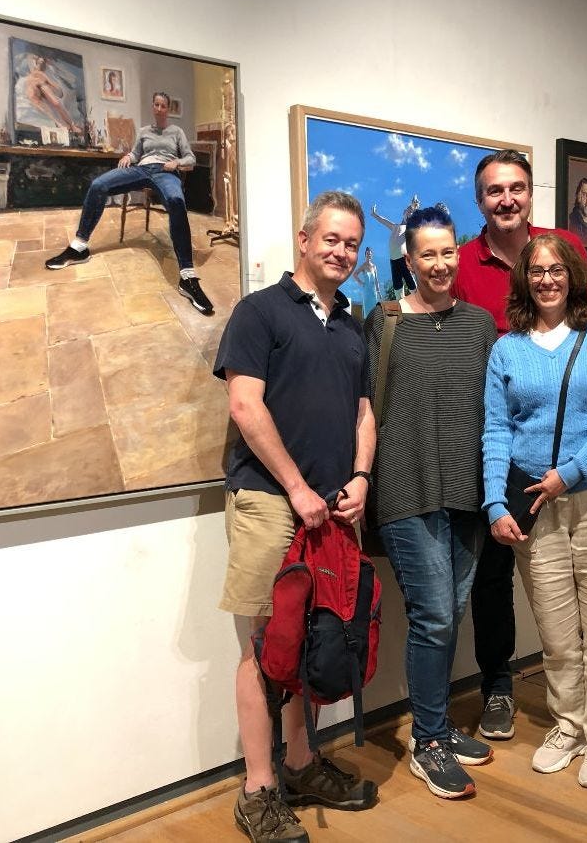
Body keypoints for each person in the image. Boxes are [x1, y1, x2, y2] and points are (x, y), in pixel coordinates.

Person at [213, 191, 379, 842]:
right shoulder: (259, 312)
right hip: (269, 502)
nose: (341, 251)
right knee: (265, 645)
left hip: (334, 511)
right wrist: (296, 487)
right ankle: (257, 790)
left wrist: (361, 477)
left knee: (312, 639)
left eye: (351, 243)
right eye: (330, 238)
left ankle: (302, 765)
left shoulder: (352, 326)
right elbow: (245, 406)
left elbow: (364, 413)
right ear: (304, 240)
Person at [450, 149, 587, 742]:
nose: (506, 199)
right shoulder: (462, 263)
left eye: (516, 188)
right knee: (493, 577)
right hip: (495, 446)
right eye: (494, 191)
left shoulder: (563, 249)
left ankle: (584, 694)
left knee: (576, 573)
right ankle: (497, 685)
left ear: (531, 194)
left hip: (569, 451)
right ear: (479, 200)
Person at [482, 234, 587, 788]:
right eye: (536, 271)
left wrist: (569, 473)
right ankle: (568, 725)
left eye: (556, 270)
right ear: (524, 281)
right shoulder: (507, 350)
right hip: (534, 505)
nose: (546, 279)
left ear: (573, 276)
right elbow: (496, 430)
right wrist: (494, 501)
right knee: (556, 632)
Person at [364, 205, 496, 799]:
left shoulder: (479, 325)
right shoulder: (386, 321)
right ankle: (428, 742)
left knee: (450, 614)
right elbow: (365, 408)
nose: (439, 264)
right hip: (405, 486)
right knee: (436, 615)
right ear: (410, 259)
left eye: (448, 252)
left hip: (467, 492)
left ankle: (437, 726)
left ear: (457, 255)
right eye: (427, 254)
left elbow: (494, 409)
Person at [44, 91, 214, 316]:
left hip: (165, 172)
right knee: (98, 185)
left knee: (175, 200)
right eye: (156, 104)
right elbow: (135, 153)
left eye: (163, 105)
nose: (159, 109)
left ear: (168, 109)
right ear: (153, 107)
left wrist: (177, 162)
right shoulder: (144, 131)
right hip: (141, 169)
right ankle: (79, 247)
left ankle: (187, 276)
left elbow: (191, 158)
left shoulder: (177, 132)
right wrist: (128, 157)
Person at [371, 198, 418, 298]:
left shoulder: (409, 228)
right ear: (404, 212)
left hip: (403, 259)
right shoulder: (394, 226)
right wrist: (374, 214)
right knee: (397, 289)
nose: (409, 213)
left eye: (411, 213)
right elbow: (383, 221)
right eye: (408, 211)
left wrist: (413, 207)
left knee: (412, 285)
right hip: (393, 261)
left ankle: (419, 303)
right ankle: (401, 305)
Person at [352, 246, 382, 315]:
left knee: (374, 309)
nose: (369, 255)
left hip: (373, 291)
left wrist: (378, 291)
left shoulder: (374, 266)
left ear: (372, 255)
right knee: (367, 309)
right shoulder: (363, 265)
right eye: (368, 254)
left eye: (370, 254)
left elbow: (376, 280)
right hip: (366, 291)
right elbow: (354, 274)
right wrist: (361, 283)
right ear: (365, 255)